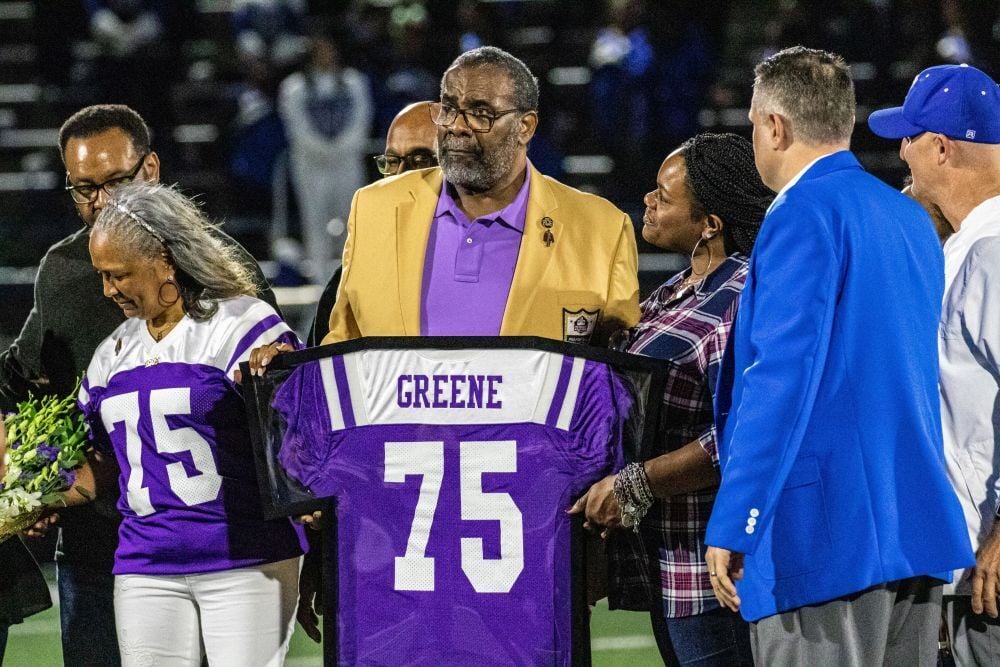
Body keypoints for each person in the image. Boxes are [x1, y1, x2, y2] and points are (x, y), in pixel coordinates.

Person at [702, 46, 974, 664]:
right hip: (912, 522)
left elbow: (780, 377)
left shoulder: (801, 213)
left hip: (820, 533)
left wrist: (739, 515)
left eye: (752, 124)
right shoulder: (907, 216)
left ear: (776, 126)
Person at [0, 103, 277, 666]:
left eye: (116, 182)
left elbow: (272, 416)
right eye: (84, 189)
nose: (101, 202)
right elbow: (26, 384)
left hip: (217, 543)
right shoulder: (63, 271)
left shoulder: (227, 276)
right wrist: (34, 483)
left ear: (151, 168)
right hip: (100, 550)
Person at [74, 181, 303, 665]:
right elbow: (102, 468)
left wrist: (273, 376)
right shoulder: (112, 352)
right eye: (102, 276)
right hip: (144, 564)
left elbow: (297, 429)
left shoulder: (242, 324)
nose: (107, 290)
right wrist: (29, 499)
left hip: (245, 558)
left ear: (164, 258)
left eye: (118, 275)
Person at [571, 133, 771, 666]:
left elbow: (741, 432)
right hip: (661, 561)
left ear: (710, 223)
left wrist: (636, 484)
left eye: (664, 193)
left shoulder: (741, 296)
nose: (648, 201)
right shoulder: (674, 292)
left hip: (712, 566)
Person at [299, 45, 639, 347]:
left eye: (481, 113)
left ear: (526, 127)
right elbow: (339, 350)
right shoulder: (375, 209)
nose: (457, 127)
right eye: (449, 108)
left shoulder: (601, 229)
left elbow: (623, 378)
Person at [869, 63, 1000, 666]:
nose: (902, 153)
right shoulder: (966, 244)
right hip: (963, 559)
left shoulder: (992, 254)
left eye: (910, 138)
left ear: (942, 147)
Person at [307, 100, 439, 346]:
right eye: (391, 162)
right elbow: (324, 362)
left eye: (420, 162)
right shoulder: (357, 266)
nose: (400, 177)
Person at [278, 29, 372, 281]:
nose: (325, 55)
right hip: (311, 165)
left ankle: (353, 278)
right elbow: (297, 128)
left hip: (346, 162)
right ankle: (320, 281)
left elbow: (361, 121)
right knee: (315, 223)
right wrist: (323, 151)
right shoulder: (294, 87)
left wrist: (341, 148)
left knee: (350, 220)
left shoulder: (355, 82)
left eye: (329, 48)